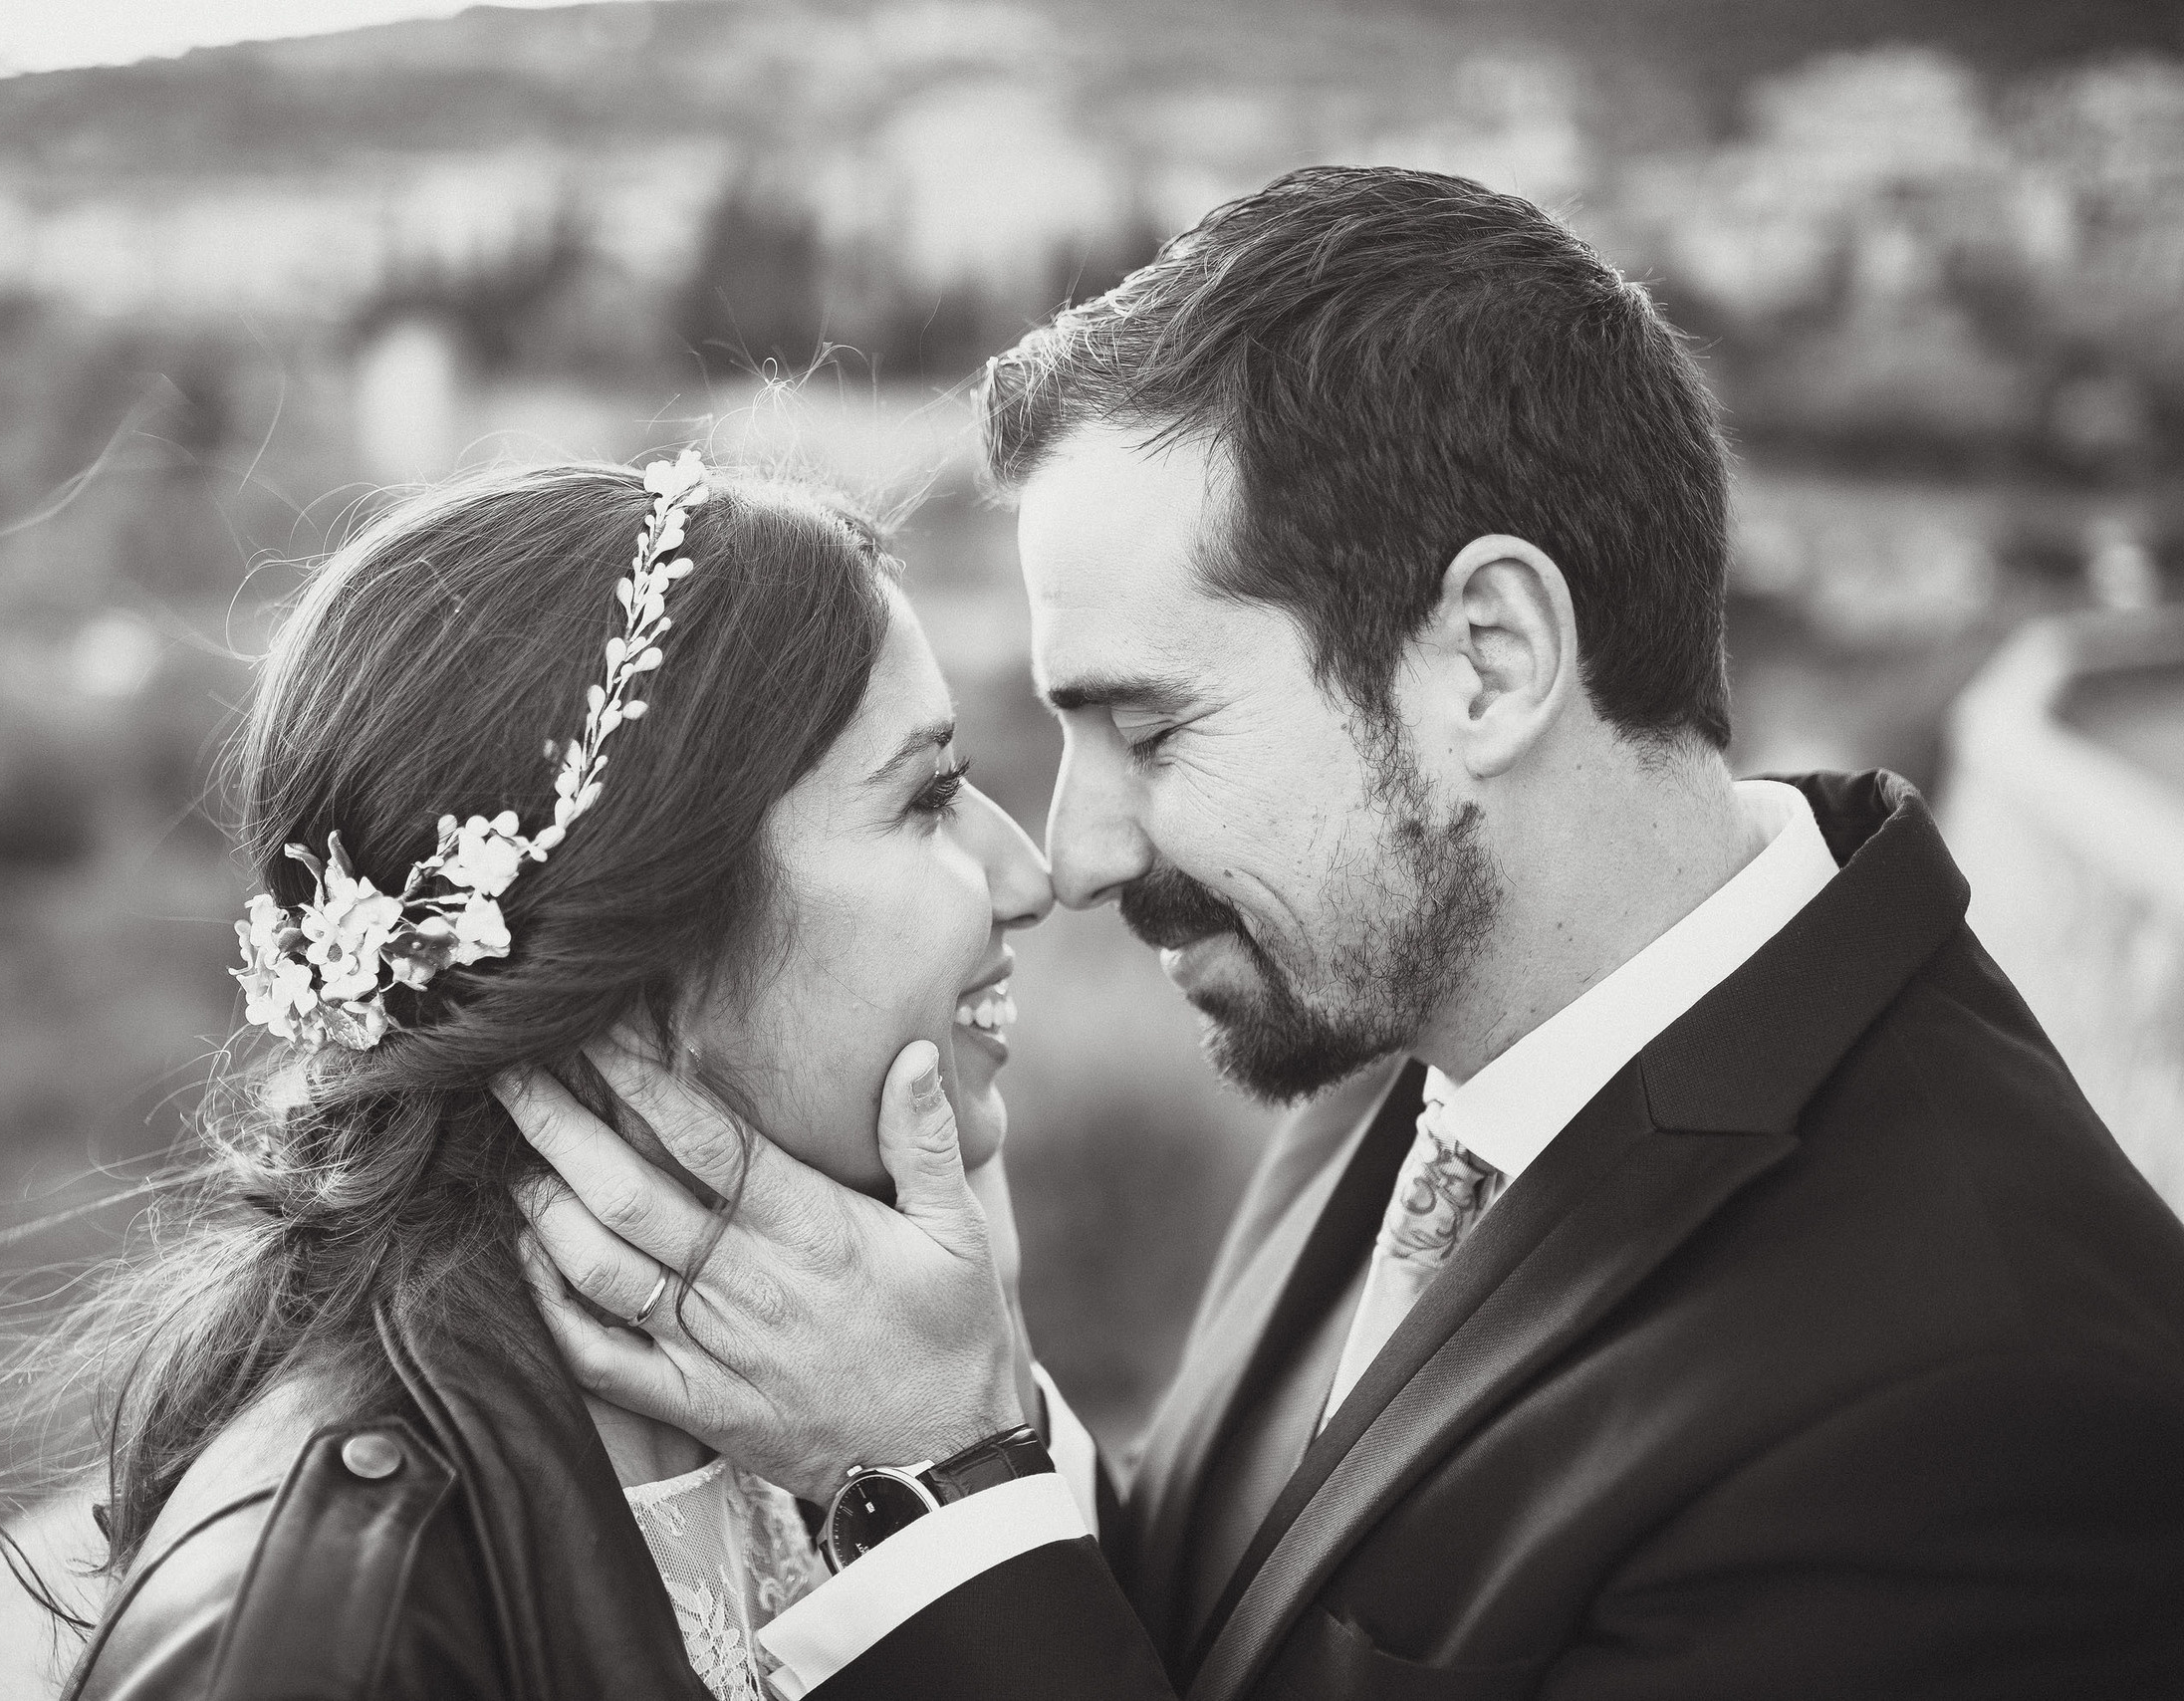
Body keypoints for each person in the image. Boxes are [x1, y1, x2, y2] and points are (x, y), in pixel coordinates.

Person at [506, 168, 2184, 1698]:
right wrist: (971, 1400)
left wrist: (934, 1480)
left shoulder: (1986, 1410)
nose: (1076, 854)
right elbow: (1231, 1616)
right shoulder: (1419, 1016)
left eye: (1151, 729)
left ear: (1491, 660)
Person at [55, 451, 1092, 1700]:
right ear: (645, 947)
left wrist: (969, 1429)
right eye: (927, 797)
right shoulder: (346, 1636)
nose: (1030, 876)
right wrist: (952, 1464)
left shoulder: (827, 1371)